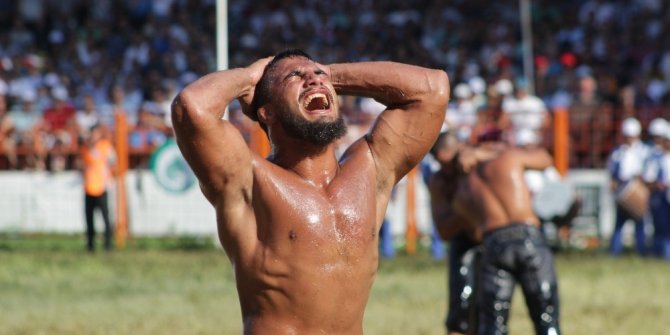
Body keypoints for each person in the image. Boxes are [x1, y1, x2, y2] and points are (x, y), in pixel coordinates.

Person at [170, 49, 449, 334]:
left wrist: (330, 74)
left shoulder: (370, 169)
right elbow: (191, 107)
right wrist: (251, 76)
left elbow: (432, 89)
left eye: (318, 76)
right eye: (295, 76)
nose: (313, 80)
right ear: (267, 112)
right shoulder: (249, 180)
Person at [433, 136, 561, 335]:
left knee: (493, 326)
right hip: (529, 238)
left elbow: (466, 231)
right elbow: (545, 158)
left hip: (495, 243)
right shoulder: (507, 159)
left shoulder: (462, 193)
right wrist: (489, 152)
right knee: (547, 318)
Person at [428, 130, 486, 335]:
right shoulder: (440, 181)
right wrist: (464, 213)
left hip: (492, 240)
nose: (449, 170)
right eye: (442, 165)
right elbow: (444, 230)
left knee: (491, 310)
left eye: (451, 163)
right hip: (464, 242)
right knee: (461, 311)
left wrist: (477, 154)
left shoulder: (480, 164)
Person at [607, 117, 650, 256]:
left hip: (638, 190)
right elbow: (612, 172)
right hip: (621, 191)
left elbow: (648, 171)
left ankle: (641, 253)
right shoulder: (618, 152)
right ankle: (615, 253)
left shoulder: (644, 151)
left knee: (640, 224)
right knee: (619, 225)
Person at [80, 124, 116, 252]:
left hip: (102, 187)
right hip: (89, 187)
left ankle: (108, 245)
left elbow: (113, 162)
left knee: (106, 218)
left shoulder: (105, 147)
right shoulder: (86, 148)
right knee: (89, 219)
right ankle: (90, 246)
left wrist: (108, 178)